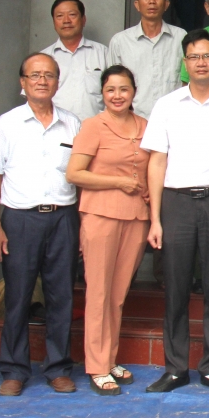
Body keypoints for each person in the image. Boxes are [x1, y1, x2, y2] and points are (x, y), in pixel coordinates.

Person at [141, 29, 209, 395]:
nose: (201, 62)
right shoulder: (167, 105)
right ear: (185, 63)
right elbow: (156, 162)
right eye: (194, 57)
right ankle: (175, 368)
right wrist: (155, 218)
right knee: (176, 286)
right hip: (177, 202)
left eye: (208, 56)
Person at [0, 53, 82, 397]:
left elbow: (81, 176)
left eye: (49, 75)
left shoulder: (73, 124)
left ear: (58, 82)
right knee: (18, 295)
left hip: (63, 217)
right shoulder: (7, 124)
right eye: (35, 75)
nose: (42, 81)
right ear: (23, 82)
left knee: (61, 295)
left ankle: (58, 368)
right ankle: (14, 369)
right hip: (19, 219)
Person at [66, 65, 150, 396]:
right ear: (102, 93)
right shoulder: (93, 126)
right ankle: (97, 366)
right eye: (110, 89)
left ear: (134, 92)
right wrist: (118, 182)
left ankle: (109, 357)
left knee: (117, 295)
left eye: (124, 89)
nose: (117, 95)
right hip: (100, 215)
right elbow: (75, 173)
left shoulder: (145, 125)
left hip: (136, 217)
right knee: (99, 292)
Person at [107, 0, 185, 118]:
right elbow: (112, 85)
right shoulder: (120, 41)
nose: (152, 1)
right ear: (137, 5)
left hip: (173, 119)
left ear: (166, 4)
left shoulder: (181, 37)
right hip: (133, 120)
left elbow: (188, 81)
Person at [42, 0, 108, 121]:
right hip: (56, 128)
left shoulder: (103, 53)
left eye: (72, 15)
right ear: (54, 22)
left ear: (83, 20)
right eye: (59, 16)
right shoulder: (43, 59)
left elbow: (116, 92)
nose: (66, 20)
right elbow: (34, 98)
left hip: (96, 128)